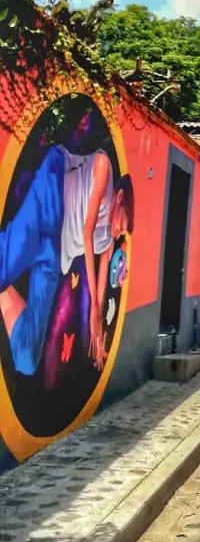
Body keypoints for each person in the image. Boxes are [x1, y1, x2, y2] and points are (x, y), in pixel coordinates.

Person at [0, 144, 134, 376]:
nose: (119, 231)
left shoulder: (107, 239)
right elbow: (86, 231)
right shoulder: (104, 167)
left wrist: (98, 319)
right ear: (120, 197)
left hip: (56, 253)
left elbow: (104, 270)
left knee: (27, 358)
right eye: (122, 224)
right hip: (52, 200)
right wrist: (92, 305)